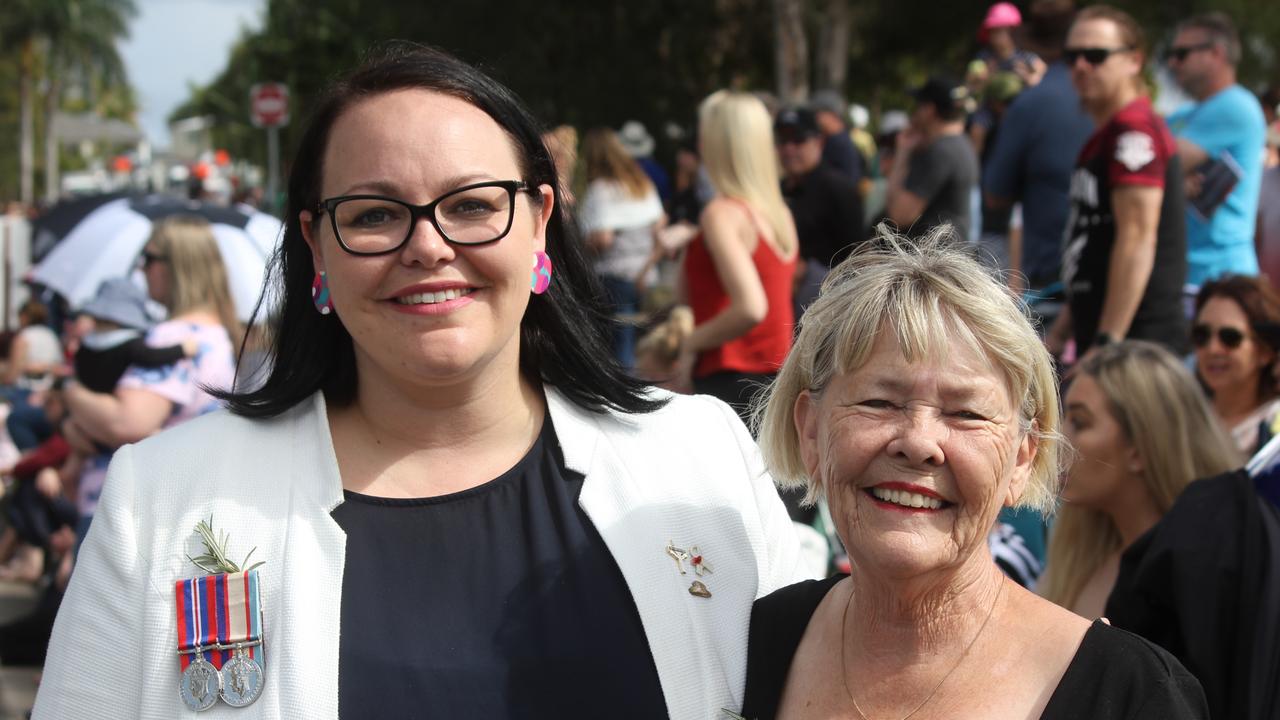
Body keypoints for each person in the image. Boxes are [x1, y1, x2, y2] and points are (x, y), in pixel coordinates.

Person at [34, 44, 802, 719]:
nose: (428, 246)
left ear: (539, 223)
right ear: (317, 247)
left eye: (471, 206)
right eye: (374, 215)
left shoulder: (700, 457)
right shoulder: (163, 499)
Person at [742, 232, 1208, 719]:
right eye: (879, 402)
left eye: (965, 413)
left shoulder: (1133, 694)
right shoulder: (759, 641)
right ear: (811, 431)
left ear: (1022, 460)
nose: (919, 442)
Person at [60, 215, 239, 549]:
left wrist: (70, 391)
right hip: (177, 507)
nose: (142, 270)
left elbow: (127, 422)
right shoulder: (218, 335)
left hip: (128, 512)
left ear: (176, 267)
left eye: (149, 259)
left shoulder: (173, 337)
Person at [1040, 340, 1239, 617]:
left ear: (1141, 446)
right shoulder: (1079, 556)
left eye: (1080, 422)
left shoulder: (1207, 575)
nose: (1059, 440)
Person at [1053, 5, 1188, 359]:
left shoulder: (1134, 129)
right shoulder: (1103, 136)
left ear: (1133, 60)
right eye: (1072, 56)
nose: (1081, 66)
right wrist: (1060, 333)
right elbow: (1092, 242)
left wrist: (1108, 343)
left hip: (1136, 347)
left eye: (1095, 55)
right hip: (1102, 337)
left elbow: (1136, 237)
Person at [678, 90, 799, 422]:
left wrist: (688, 344)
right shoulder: (778, 213)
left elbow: (751, 306)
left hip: (729, 381)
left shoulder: (721, 214)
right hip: (773, 379)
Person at [984, 0, 1094, 300]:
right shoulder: (1120, 107)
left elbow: (995, 195)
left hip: (1052, 280)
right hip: (1106, 281)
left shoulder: (1031, 104)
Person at [1166, 12, 1266, 287]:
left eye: (1182, 53)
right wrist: (1175, 181)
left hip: (1220, 276)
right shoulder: (1184, 114)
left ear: (1216, 53)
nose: (1173, 63)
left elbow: (1151, 164)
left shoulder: (1235, 105)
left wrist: (1169, 177)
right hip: (1191, 273)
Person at [577, 127, 665, 369]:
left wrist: (579, 246)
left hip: (615, 276)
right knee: (644, 347)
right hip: (645, 275)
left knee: (619, 355)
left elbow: (604, 238)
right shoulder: (641, 183)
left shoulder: (601, 191)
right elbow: (660, 224)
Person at [774, 106, 864, 316]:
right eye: (782, 142)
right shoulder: (778, 189)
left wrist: (810, 270)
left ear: (819, 142)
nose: (789, 149)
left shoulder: (838, 188)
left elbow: (857, 256)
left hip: (825, 305)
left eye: (798, 141)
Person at [1190, 275, 1280, 454]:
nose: (1213, 349)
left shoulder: (1275, 428)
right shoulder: (1177, 414)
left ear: (1265, 351)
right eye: (1202, 335)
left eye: (1229, 338)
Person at [886, 76, 980, 241]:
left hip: (936, 258)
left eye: (919, 106)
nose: (915, 113)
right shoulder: (962, 144)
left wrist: (903, 152)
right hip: (951, 256)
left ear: (929, 109)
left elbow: (899, 216)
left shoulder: (940, 152)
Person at [808, 90, 864, 184]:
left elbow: (850, 182)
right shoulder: (832, 140)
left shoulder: (841, 144)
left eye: (818, 113)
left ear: (832, 114)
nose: (815, 118)